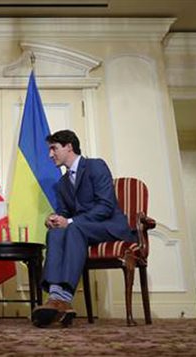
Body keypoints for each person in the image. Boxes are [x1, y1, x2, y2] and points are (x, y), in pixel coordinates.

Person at [31, 130, 136, 328]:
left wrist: (70, 222)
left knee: (73, 228)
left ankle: (64, 297)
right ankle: (55, 297)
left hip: (108, 226)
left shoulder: (96, 166)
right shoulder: (62, 183)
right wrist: (54, 220)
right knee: (55, 232)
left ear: (69, 146)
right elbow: (64, 213)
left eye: (53, 148)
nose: (50, 154)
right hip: (82, 229)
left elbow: (105, 206)